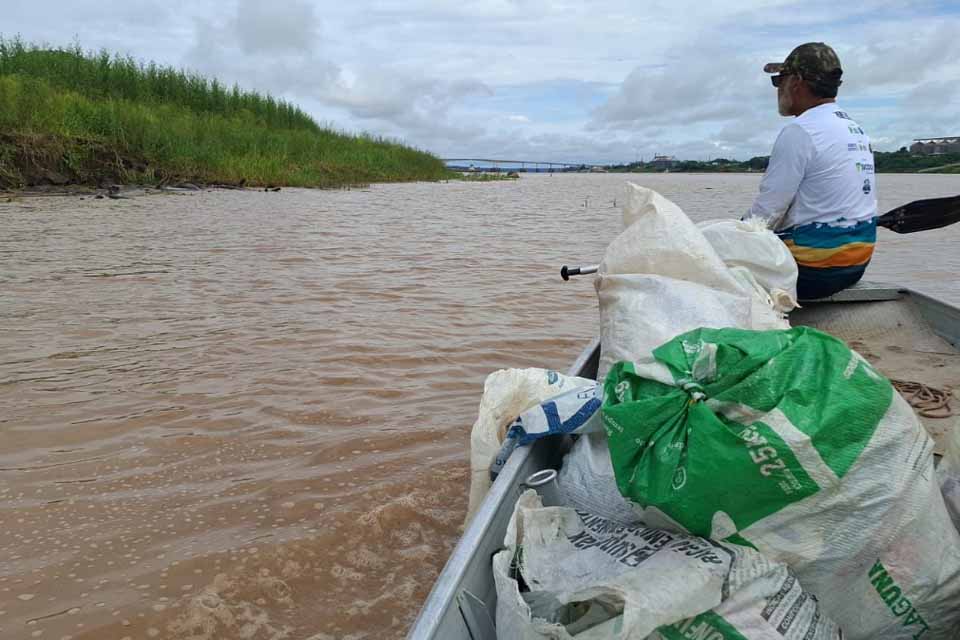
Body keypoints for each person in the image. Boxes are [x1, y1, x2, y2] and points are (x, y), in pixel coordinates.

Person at [748, 42, 877, 299]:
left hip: (811, 273)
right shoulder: (854, 128)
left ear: (796, 82)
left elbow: (766, 214)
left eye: (778, 81)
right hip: (855, 266)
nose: (777, 89)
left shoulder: (800, 131)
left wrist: (730, 238)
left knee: (717, 259)